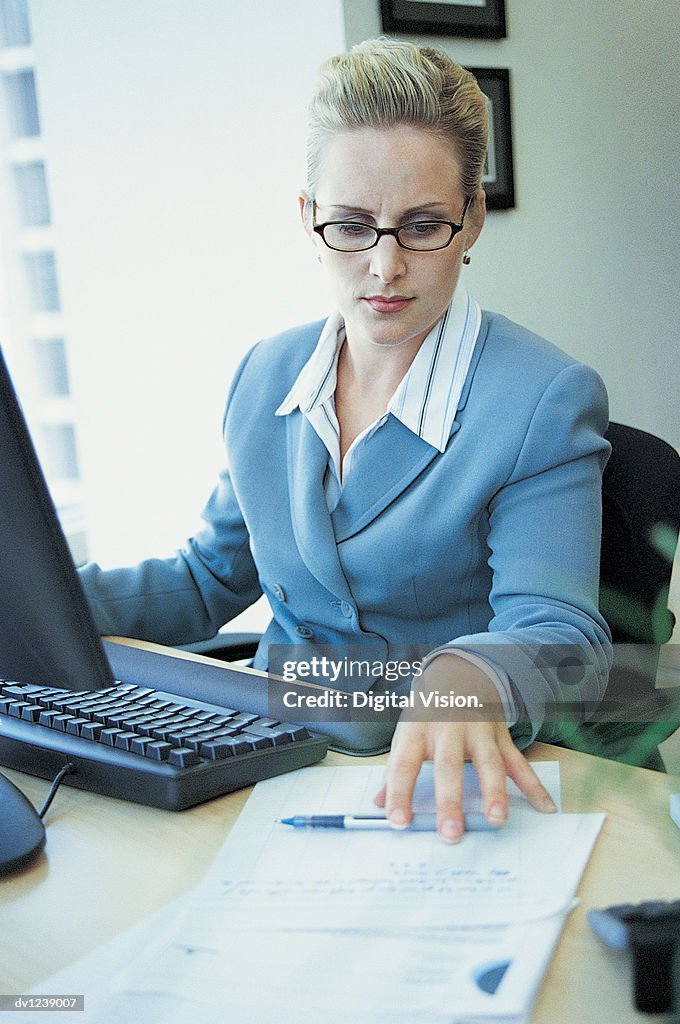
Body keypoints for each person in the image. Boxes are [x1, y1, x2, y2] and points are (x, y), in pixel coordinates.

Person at [80, 37, 612, 842]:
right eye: (353, 227)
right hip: (255, 767)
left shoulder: (543, 398)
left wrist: (468, 672)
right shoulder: (267, 375)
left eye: (424, 226)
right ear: (308, 217)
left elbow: (564, 634)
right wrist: (41, 599)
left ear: (471, 218)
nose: (385, 267)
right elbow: (206, 581)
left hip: (434, 788)